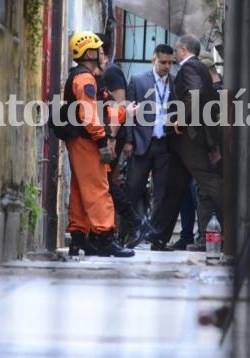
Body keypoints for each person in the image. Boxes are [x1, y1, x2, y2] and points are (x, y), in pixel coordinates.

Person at [146, 35, 231, 254]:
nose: (174, 55)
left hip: (190, 140)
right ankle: (158, 236)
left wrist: (178, 120)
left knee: (211, 183)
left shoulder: (189, 68)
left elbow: (194, 96)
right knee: (173, 189)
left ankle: (239, 227)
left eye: (176, 50)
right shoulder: (199, 67)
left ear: (183, 49)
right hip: (185, 143)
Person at [63, 31, 134, 257]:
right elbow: (89, 114)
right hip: (87, 140)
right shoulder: (85, 79)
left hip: (82, 139)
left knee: (80, 188)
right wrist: (102, 138)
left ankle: (78, 237)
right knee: (97, 188)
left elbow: (104, 110)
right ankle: (104, 237)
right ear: (90, 52)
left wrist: (122, 115)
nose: (103, 56)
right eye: (100, 51)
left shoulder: (88, 77)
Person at [123, 44, 181, 251]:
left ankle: (157, 237)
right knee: (133, 189)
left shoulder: (176, 84)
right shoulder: (138, 81)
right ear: (153, 60)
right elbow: (129, 114)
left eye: (170, 63)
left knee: (162, 194)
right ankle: (126, 235)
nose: (167, 66)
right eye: (163, 62)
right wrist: (128, 141)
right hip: (141, 144)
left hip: (165, 145)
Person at [95, 33, 147, 248]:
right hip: (106, 134)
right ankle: (120, 228)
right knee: (104, 184)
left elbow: (119, 107)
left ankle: (133, 224)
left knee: (106, 183)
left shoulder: (112, 72)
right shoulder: (98, 74)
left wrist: (113, 138)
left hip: (112, 134)